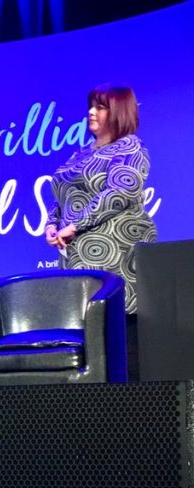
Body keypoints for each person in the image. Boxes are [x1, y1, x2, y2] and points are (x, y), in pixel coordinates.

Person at [46, 84, 156, 379]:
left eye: (100, 107)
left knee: (121, 333)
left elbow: (121, 191)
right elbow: (60, 195)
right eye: (91, 106)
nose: (91, 112)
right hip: (78, 259)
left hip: (116, 255)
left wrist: (75, 225)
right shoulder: (81, 153)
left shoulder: (131, 147)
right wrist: (52, 225)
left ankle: (134, 408)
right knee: (92, 336)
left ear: (118, 112)